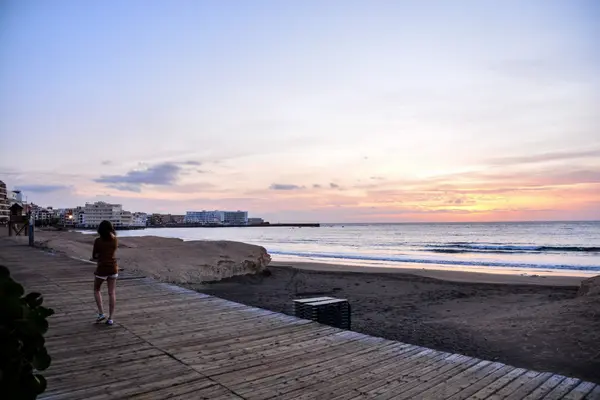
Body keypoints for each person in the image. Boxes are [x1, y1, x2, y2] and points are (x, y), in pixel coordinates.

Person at [91, 220, 118, 325]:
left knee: (96, 289)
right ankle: (110, 318)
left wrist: (100, 256)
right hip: (113, 268)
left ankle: (101, 313)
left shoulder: (98, 241)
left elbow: (94, 256)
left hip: (102, 269)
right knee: (112, 293)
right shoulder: (115, 240)